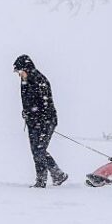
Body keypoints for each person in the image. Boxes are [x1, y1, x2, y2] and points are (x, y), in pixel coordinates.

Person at [13, 55, 67, 187]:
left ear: (26, 68)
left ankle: (41, 181)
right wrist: (26, 112)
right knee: (36, 150)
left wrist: (37, 118)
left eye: (20, 71)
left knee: (39, 150)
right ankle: (57, 174)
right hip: (33, 122)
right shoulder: (24, 81)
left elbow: (45, 105)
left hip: (46, 121)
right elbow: (28, 103)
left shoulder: (39, 80)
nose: (19, 75)